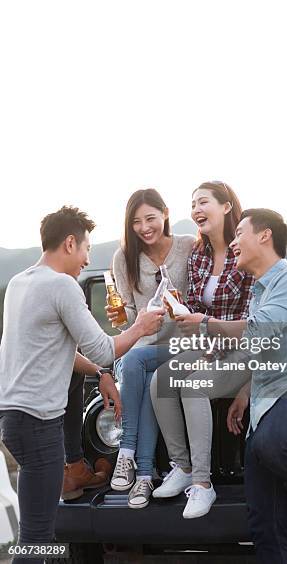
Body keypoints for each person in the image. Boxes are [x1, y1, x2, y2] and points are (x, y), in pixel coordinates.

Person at [0, 206, 164, 564]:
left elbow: (61, 352)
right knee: (37, 537)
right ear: (70, 243)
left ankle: (74, 469)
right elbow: (104, 347)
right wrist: (141, 327)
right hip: (39, 424)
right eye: (87, 249)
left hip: (14, 420)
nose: (87, 259)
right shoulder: (62, 285)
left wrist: (102, 374)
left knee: (36, 533)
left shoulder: (20, 282)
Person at [207, 208, 287, 563]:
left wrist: (205, 322)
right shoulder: (258, 295)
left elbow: (260, 329)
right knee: (265, 529)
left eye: (239, 234)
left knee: (275, 440)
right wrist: (245, 393)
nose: (232, 243)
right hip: (265, 409)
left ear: (265, 236)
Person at [150, 181, 254, 519]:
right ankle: (180, 467)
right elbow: (195, 306)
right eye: (192, 203)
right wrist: (180, 310)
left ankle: (202, 484)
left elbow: (253, 320)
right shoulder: (199, 254)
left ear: (226, 206)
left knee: (194, 386)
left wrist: (207, 327)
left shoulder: (246, 250)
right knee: (160, 380)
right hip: (209, 344)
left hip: (244, 349)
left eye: (203, 201)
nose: (196, 208)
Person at [106, 188, 195, 509]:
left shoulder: (188, 246)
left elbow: (200, 299)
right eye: (136, 221)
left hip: (182, 344)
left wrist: (184, 307)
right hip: (144, 348)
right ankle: (142, 473)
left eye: (150, 218)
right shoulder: (123, 257)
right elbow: (129, 316)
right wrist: (121, 318)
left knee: (137, 364)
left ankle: (129, 454)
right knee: (136, 366)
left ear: (165, 214)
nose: (144, 227)